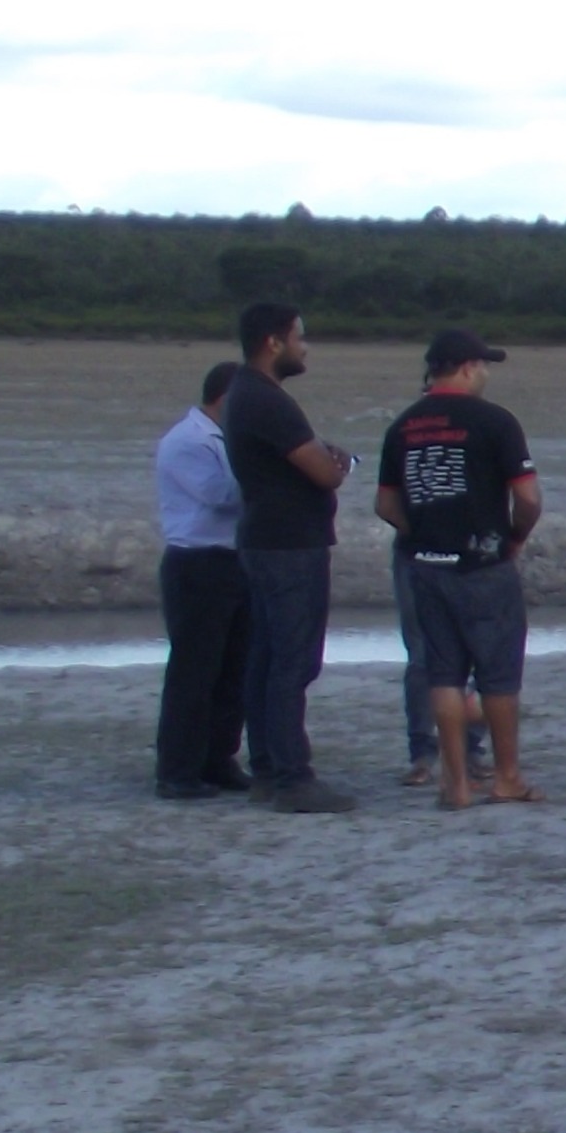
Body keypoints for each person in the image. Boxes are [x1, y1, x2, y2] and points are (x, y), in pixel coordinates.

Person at [372, 331, 543, 809]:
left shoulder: (403, 427)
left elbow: (385, 503)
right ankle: (507, 776)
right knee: (498, 676)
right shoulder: (495, 422)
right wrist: (514, 537)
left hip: (425, 564)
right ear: (467, 367)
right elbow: (528, 498)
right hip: (483, 564)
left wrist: (421, 531)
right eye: (483, 366)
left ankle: (455, 785)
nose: (486, 374)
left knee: (442, 674)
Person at [221, 301, 358, 814]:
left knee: (267, 658)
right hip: (288, 547)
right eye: (299, 337)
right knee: (292, 662)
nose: (305, 347)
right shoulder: (267, 400)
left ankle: (268, 770)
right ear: (273, 342)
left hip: (264, 540)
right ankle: (292, 777)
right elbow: (322, 472)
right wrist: (335, 466)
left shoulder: (243, 394)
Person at [152, 362, 252, 799]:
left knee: (234, 669)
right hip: (197, 564)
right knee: (194, 670)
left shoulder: (225, 438)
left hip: (236, 561)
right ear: (226, 399)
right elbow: (220, 496)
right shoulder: (187, 441)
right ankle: (177, 769)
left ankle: (218, 759)